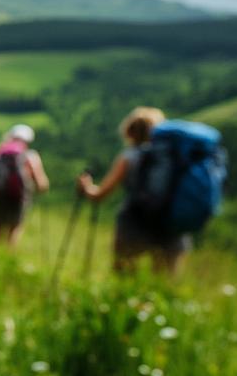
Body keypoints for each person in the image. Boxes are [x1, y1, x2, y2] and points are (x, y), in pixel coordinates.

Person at [77, 106, 191, 275]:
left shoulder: (129, 157)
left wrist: (86, 187)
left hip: (134, 222)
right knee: (165, 281)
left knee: (124, 272)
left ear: (130, 131)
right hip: (172, 225)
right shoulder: (175, 158)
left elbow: (100, 195)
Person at [0, 124, 48, 246]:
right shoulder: (31, 156)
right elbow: (42, 184)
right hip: (20, 198)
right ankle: (8, 259)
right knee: (14, 231)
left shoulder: (0, 154)